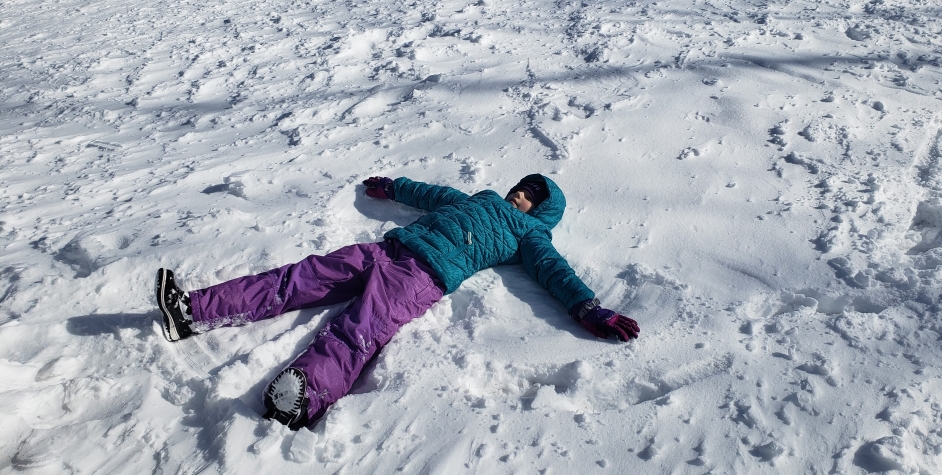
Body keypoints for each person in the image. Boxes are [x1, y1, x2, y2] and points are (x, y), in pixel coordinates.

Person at [155, 174, 640, 430]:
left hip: (422, 277)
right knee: (299, 277)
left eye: (531, 196)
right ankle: (191, 310)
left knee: (359, 330)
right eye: (522, 186)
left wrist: (586, 307)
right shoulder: (481, 197)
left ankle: (303, 397)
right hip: (386, 249)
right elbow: (433, 194)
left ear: (543, 210)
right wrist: (394, 188)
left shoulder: (530, 235)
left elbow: (555, 272)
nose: (520, 194)